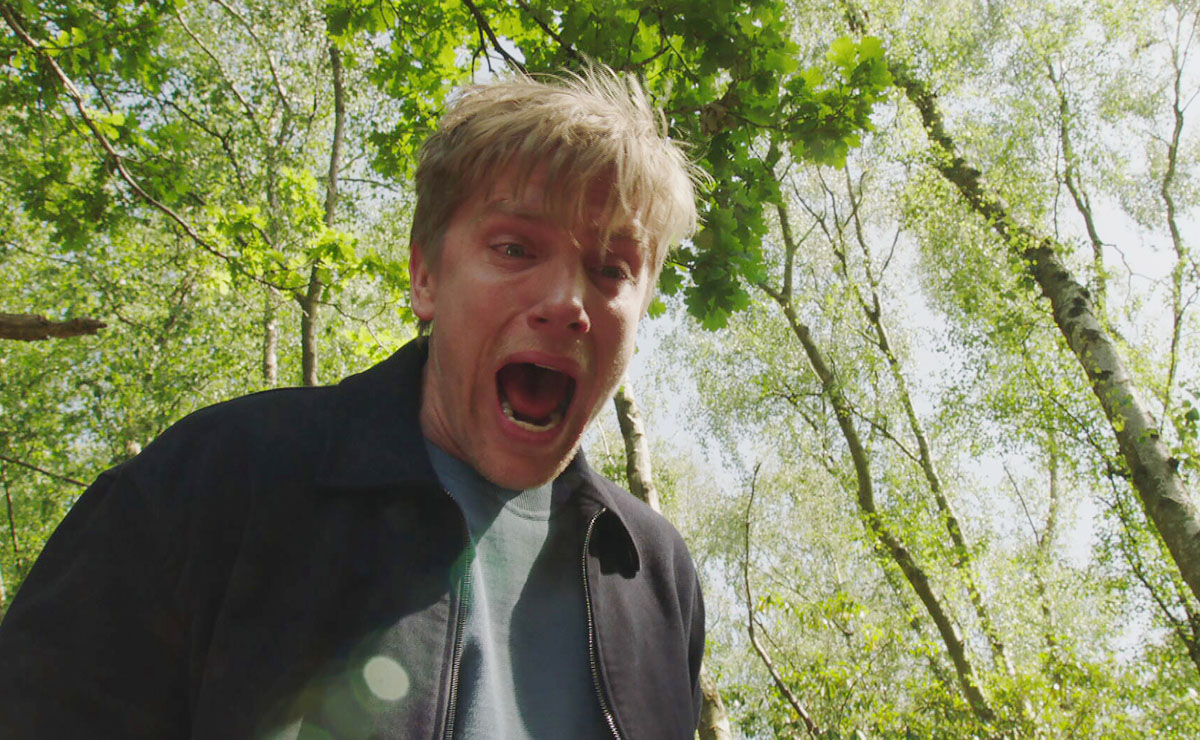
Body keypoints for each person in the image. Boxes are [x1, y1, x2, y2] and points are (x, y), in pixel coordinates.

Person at [0, 67, 705, 739]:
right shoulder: (215, 481)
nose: (566, 303)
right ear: (425, 277)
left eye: (611, 268)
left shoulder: (654, 575)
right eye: (515, 249)